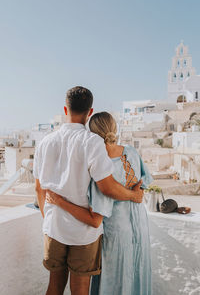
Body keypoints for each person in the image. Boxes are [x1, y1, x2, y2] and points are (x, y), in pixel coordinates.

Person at [33, 87, 144, 295]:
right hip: (83, 234)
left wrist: (47, 218)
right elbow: (107, 187)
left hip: (53, 227)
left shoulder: (45, 142)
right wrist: (133, 195)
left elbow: (39, 188)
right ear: (90, 112)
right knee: (80, 290)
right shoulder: (92, 142)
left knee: (54, 287)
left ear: (65, 109)